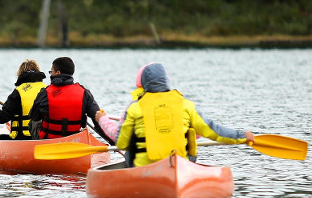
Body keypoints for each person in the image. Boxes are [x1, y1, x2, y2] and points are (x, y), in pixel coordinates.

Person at [115, 62, 255, 167]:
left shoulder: (134, 108)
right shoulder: (186, 105)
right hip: (178, 166)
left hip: (143, 168)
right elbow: (213, 131)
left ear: (144, 84)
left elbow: (121, 143)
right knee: (191, 134)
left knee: (131, 143)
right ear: (166, 81)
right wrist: (241, 136)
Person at [29, 56, 111, 142]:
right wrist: (111, 141)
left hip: (49, 142)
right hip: (74, 141)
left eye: (51, 72)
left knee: (33, 122)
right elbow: (98, 120)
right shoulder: (84, 93)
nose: (51, 74)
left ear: (57, 72)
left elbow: (34, 116)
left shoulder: (45, 92)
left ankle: (31, 147)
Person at [0, 59, 46, 139]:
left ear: (20, 74)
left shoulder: (18, 92)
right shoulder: (47, 89)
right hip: (44, 137)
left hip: (23, 138)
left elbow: (1, 118)